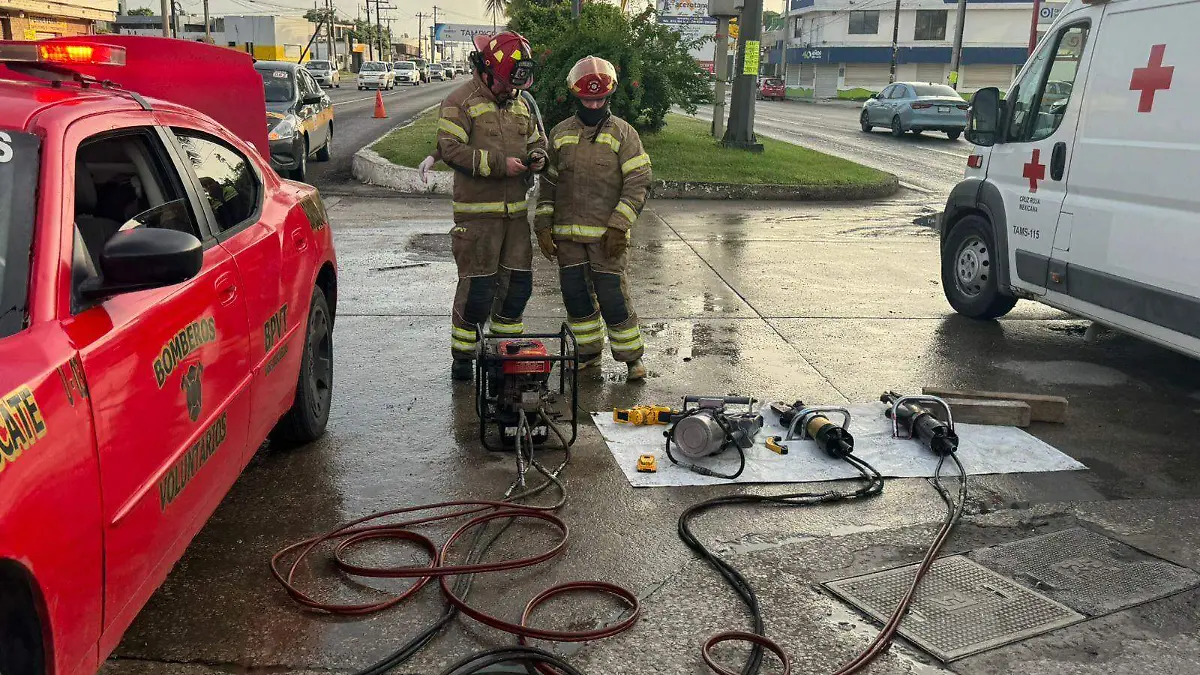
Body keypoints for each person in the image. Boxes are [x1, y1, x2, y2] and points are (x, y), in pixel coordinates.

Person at [436, 32, 547, 381]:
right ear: (485, 71)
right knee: (478, 291)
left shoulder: (521, 103)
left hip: (515, 217)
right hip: (477, 218)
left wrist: (538, 156)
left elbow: (537, 140)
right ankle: (463, 357)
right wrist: (500, 165)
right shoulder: (459, 102)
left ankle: (504, 355)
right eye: (504, 84)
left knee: (517, 288)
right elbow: (450, 150)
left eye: (515, 86)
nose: (509, 91)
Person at [534, 56, 652, 381]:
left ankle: (632, 360)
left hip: (606, 238)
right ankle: (587, 354)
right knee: (576, 298)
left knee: (613, 297)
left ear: (609, 96)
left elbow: (638, 182)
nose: (594, 105)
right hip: (568, 238)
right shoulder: (560, 134)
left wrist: (619, 226)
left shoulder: (624, 134)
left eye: (600, 99)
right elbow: (549, 184)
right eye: (588, 99)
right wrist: (542, 224)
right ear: (576, 96)